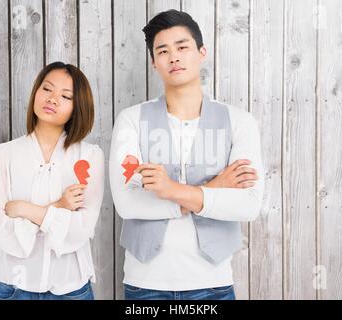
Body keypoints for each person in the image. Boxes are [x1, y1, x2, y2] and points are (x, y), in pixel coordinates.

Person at [109, 10, 264, 300]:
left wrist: (171, 191)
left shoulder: (238, 121)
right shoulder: (131, 119)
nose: (174, 57)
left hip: (213, 284)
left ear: (201, 52)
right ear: (154, 62)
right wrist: (214, 188)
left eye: (182, 47)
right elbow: (127, 203)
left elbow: (248, 204)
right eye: (163, 51)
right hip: (146, 285)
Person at [0, 62, 105, 300]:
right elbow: (1, 227)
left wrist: (23, 209)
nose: (53, 99)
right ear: (36, 92)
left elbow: (81, 228)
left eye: (65, 96)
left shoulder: (90, 157)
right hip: (14, 287)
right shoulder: (2, 154)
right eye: (47, 89)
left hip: (72, 289)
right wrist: (59, 206)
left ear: (77, 106)